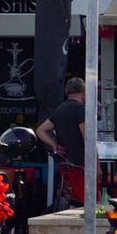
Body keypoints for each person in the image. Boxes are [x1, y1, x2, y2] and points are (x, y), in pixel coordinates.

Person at [36, 76, 88, 205]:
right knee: (86, 203)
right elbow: (88, 140)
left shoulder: (61, 109)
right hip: (81, 166)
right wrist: (97, 165)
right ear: (83, 91)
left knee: (70, 202)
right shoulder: (80, 109)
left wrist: (53, 144)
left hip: (65, 165)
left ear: (66, 92)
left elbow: (40, 130)